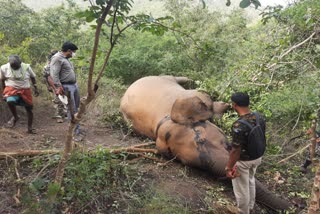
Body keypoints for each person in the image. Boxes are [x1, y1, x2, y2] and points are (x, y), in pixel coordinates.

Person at [225, 92, 266, 214]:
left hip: (244, 162)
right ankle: (250, 207)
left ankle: (242, 211)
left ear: (234, 105)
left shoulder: (238, 125)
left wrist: (229, 167)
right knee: (250, 181)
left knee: (241, 189)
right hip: (257, 157)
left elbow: (235, 150)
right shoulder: (259, 116)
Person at [50, 41, 82, 139]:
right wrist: (59, 87)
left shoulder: (66, 58)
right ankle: (73, 132)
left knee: (76, 108)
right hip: (66, 87)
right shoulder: (57, 58)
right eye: (73, 52)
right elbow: (54, 74)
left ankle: (77, 129)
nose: (73, 54)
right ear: (68, 51)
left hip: (73, 85)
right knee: (71, 109)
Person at [0, 55, 39, 134]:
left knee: (29, 109)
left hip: (25, 90)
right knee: (10, 101)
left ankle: (29, 128)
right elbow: (2, 80)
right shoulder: (4, 68)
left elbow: (32, 77)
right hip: (11, 89)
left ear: (20, 63)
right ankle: (15, 116)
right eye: (13, 66)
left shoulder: (27, 67)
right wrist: (3, 92)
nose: (15, 68)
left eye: (16, 66)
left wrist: (35, 88)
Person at [42, 49, 66, 123]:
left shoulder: (62, 63)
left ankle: (63, 113)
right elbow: (48, 78)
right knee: (58, 99)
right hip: (54, 84)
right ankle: (59, 115)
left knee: (64, 99)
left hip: (63, 83)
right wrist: (54, 87)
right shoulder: (48, 66)